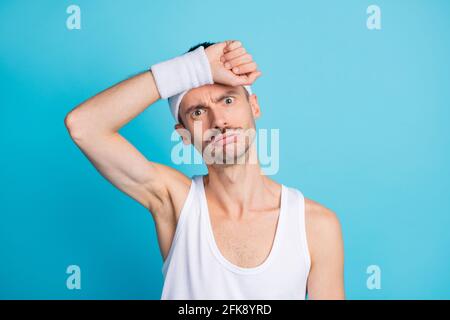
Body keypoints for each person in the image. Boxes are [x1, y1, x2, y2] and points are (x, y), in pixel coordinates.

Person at [64, 40, 345, 299]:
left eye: (228, 100)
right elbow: (84, 126)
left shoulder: (315, 225)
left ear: (254, 106)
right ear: (184, 134)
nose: (219, 120)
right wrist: (193, 68)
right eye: (198, 112)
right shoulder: (175, 202)